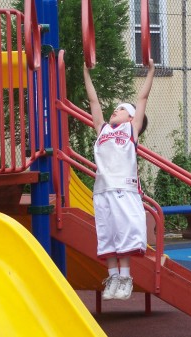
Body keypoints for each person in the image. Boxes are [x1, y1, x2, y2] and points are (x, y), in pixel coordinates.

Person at [83, 58, 155, 299]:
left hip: (124, 189)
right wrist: (86, 72)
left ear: (132, 118)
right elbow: (93, 101)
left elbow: (142, 99)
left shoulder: (130, 131)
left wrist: (151, 72)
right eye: (116, 107)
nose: (116, 109)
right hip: (102, 190)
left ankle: (125, 278)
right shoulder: (102, 130)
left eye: (123, 108)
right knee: (108, 235)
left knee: (124, 234)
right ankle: (113, 277)